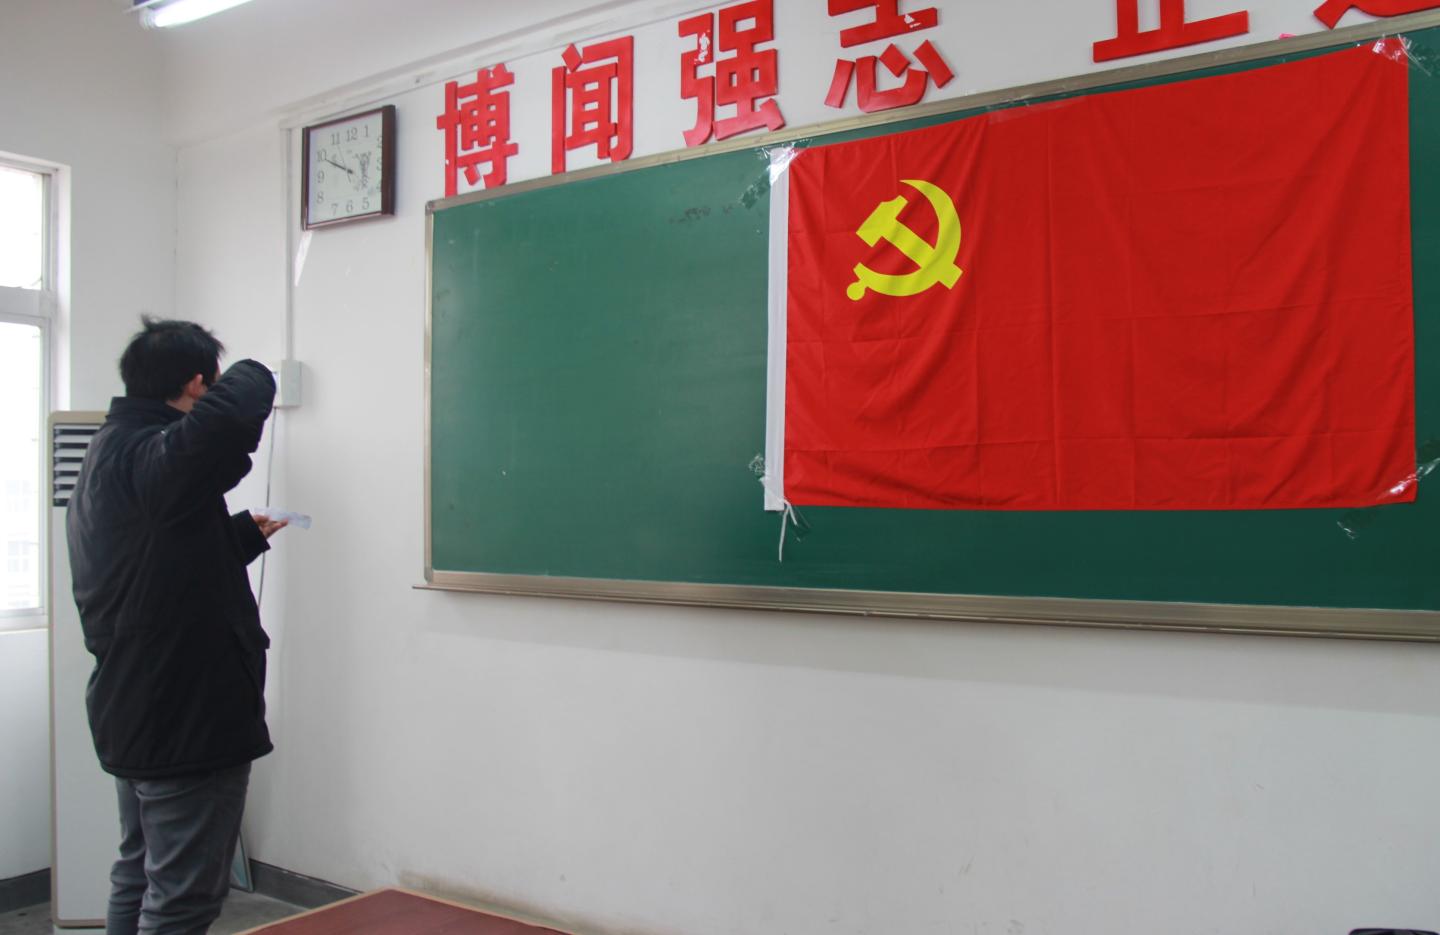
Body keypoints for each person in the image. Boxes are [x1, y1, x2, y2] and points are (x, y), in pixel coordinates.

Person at [67, 317, 287, 935]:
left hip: (137, 708)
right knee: (181, 899)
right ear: (195, 383)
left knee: (139, 875)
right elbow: (227, 420)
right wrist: (260, 370)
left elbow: (148, 569)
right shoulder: (150, 453)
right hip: (184, 716)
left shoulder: (110, 452)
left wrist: (237, 536)